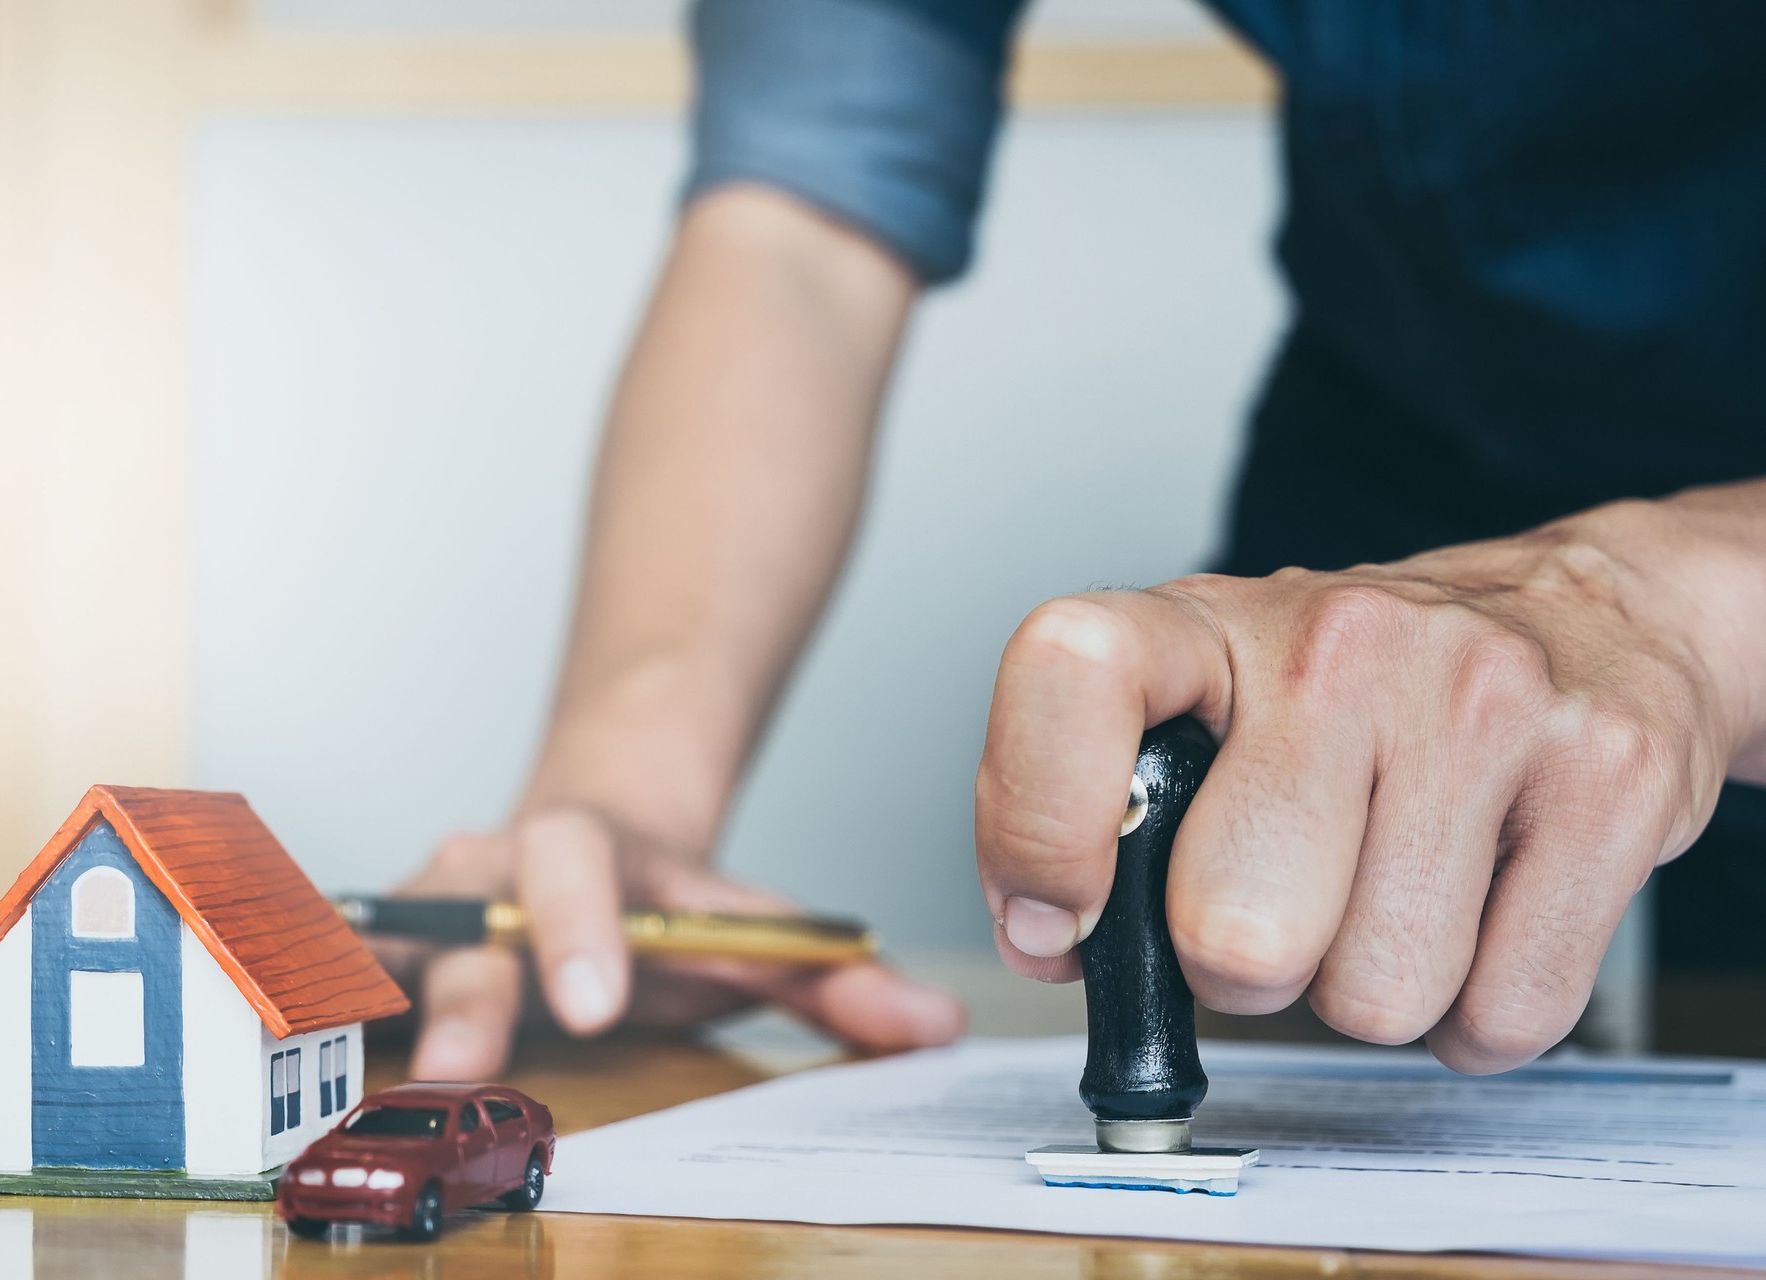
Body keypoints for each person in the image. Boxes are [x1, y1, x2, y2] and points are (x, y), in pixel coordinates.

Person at [401, 0, 1766, 1083]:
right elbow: (807, 210)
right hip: (1385, 527)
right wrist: (625, 795)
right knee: (1337, 1103)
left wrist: (1669, 606)